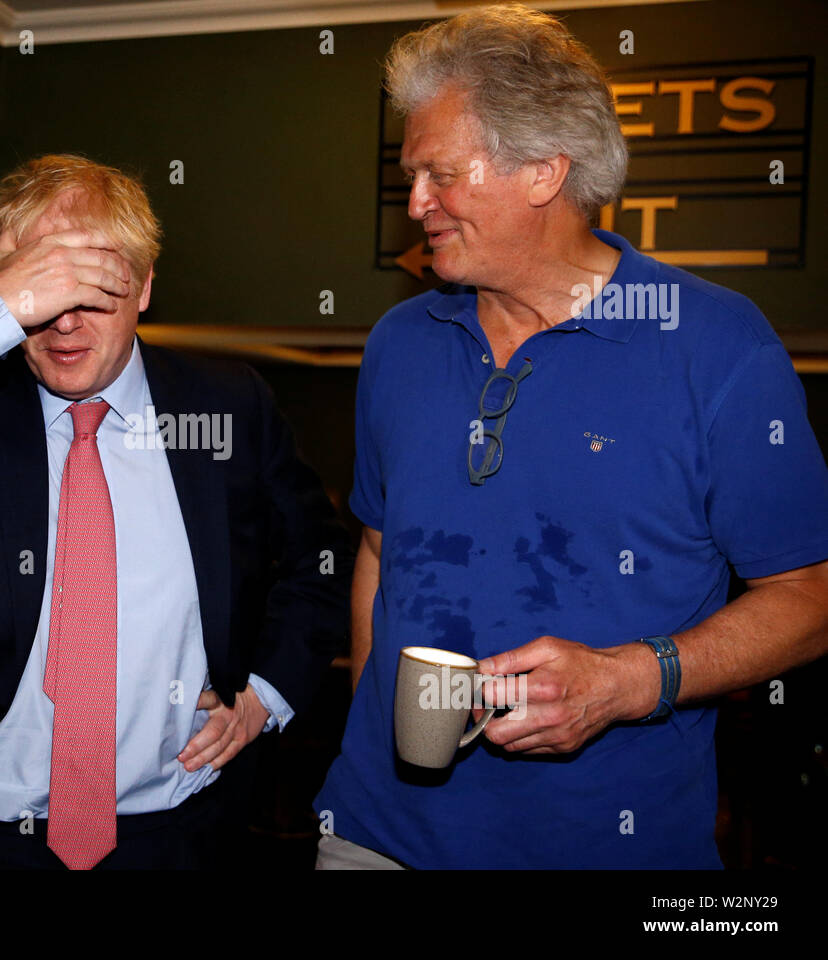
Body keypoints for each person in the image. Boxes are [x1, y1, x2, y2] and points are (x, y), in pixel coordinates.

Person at [314, 4, 828, 869]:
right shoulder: (399, 342)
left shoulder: (717, 345)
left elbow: (809, 597)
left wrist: (632, 681)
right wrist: (376, 720)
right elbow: (375, 549)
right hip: (373, 839)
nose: (415, 203)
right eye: (411, 176)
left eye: (440, 174)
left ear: (544, 173)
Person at [0, 154, 352, 869]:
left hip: (172, 837)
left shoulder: (227, 404)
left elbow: (320, 562)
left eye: (92, 288)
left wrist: (264, 696)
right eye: (38, 291)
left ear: (144, 286)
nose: (62, 322)